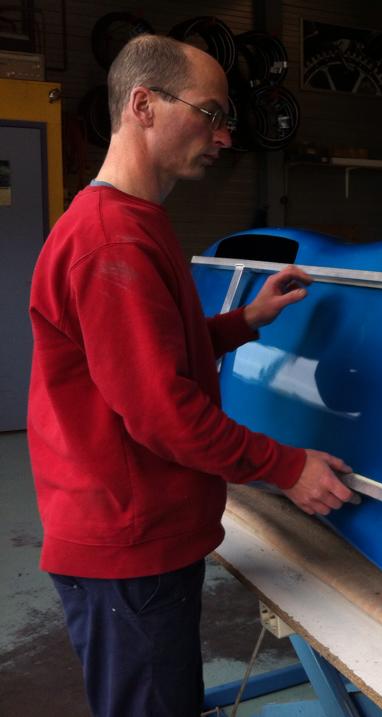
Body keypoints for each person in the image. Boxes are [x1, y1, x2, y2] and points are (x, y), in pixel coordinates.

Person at [27, 34, 354, 716]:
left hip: (138, 533)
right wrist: (286, 466)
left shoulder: (131, 223)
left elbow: (145, 355)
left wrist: (245, 320)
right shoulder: (112, 240)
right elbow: (162, 411)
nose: (225, 136)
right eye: (211, 113)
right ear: (144, 105)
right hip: (129, 545)